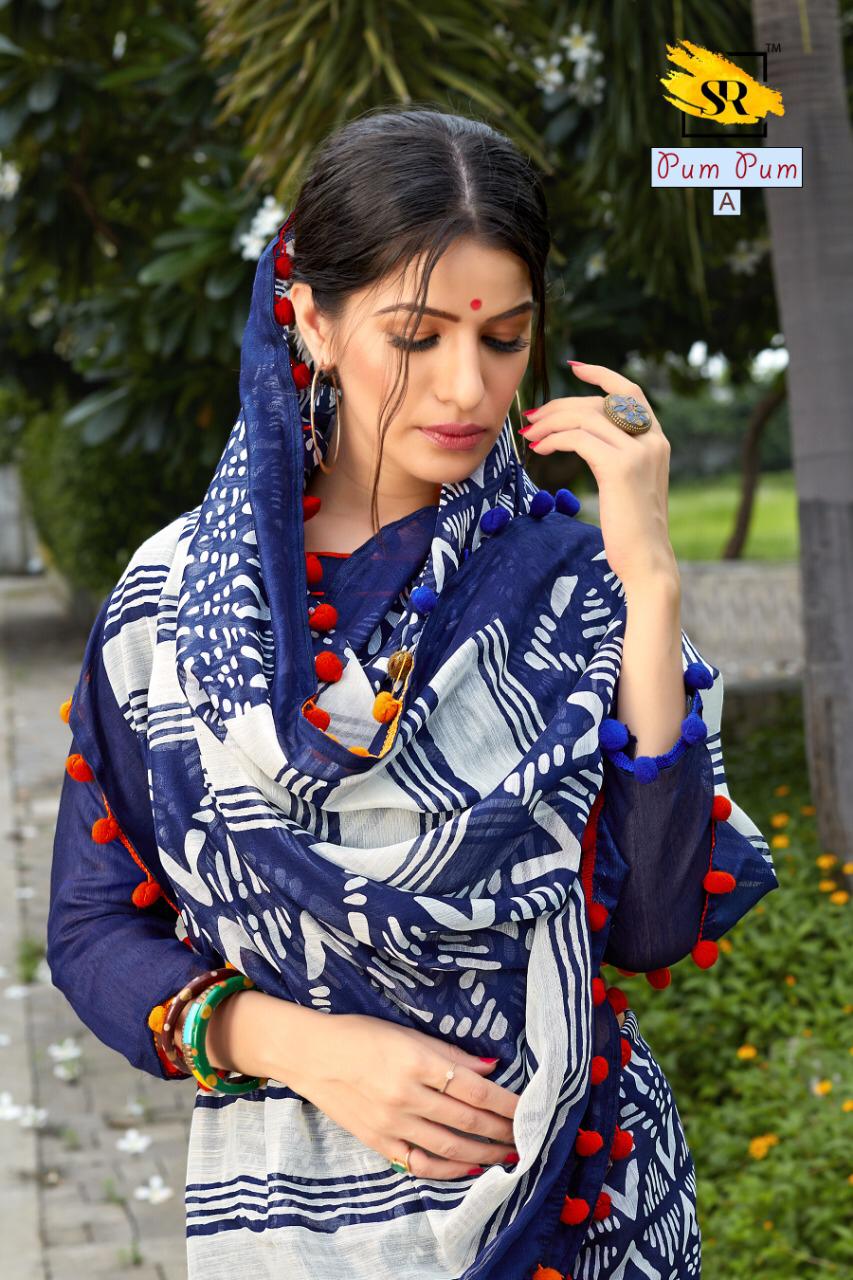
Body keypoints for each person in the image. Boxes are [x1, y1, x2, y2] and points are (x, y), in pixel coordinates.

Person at [47, 107, 778, 1280]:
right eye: (416, 335)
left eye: (504, 338)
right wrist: (304, 1047)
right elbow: (91, 932)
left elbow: (653, 922)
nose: (466, 385)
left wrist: (648, 582)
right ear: (312, 320)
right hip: (295, 1222)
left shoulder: (576, 586)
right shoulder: (171, 606)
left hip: (580, 1208)